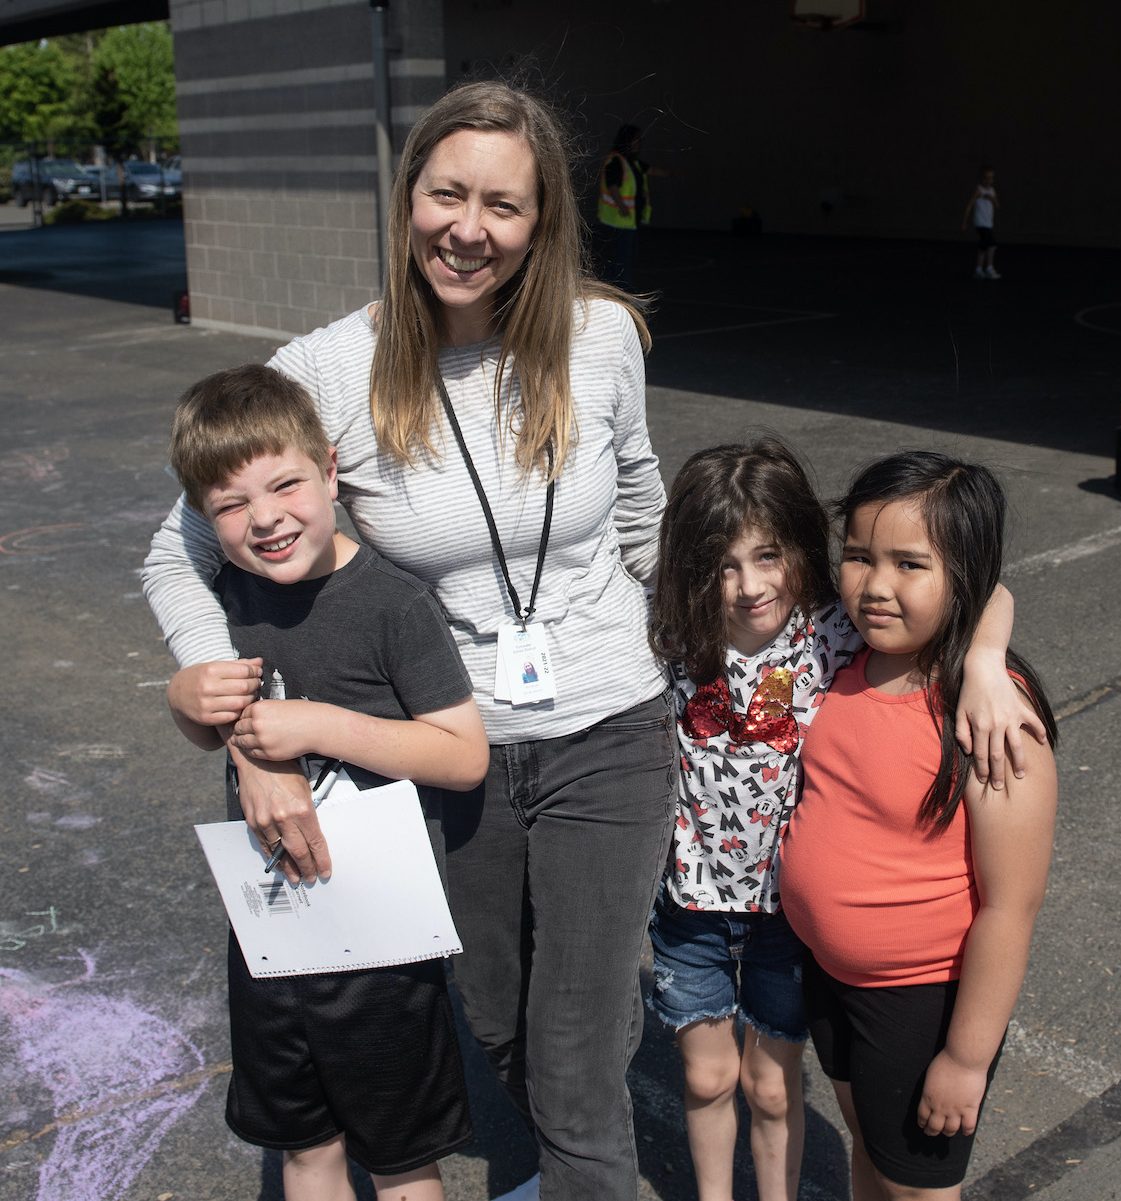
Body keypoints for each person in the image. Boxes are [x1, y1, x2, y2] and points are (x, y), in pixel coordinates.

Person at [143, 80, 676, 1201]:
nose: (469, 229)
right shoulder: (328, 369)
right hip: (443, 751)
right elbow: (180, 552)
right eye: (446, 194)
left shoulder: (603, 338)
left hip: (608, 725)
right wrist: (247, 728)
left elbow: (642, 507)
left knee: (578, 1052)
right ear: (407, 198)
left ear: (542, 222)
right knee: (490, 1025)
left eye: (503, 205)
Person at [646, 439, 1046, 1201]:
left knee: (836, 1124)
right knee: (857, 1139)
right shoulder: (678, 629)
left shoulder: (835, 633)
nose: (750, 585)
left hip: (856, 961)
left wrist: (989, 656)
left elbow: (976, 581)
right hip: (727, 917)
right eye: (860, 557)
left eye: (769, 557)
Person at [165, 363, 489, 1201]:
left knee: (401, 1157)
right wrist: (182, 697)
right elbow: (205, 726)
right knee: (305, 1146)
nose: (265, 518)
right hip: (271, 933)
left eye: (285, 485)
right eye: (231, 505)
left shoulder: (391, 604)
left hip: (383, 938)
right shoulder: (223, 598)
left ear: (332, 471)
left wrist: (319, 726)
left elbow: (462, 752)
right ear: (205, 519)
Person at [780, 451, 1058, 1201]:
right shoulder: (848, 651)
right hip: (832, 976)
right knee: (866, 1146)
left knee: (918, 1187)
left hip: (921, 1000)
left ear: (960, 577)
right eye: (860, 556)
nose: (875, 586)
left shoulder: (992, 718)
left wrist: (966, 1059)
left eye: (909, 564)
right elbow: (991, 588)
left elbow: (1011, 906)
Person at [595, 124, 655, 290]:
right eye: (636, 139)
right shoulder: (616, 161)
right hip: (617, 221)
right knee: (619, 258)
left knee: (621, 258)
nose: (639, 143)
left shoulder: (632, 163)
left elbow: (650, 170)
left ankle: (618, 289)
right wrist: (622, 206)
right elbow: (612, 186)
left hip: (628, 221)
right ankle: (619, 291)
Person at [962, 166, 1000, 279]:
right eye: (986, 178)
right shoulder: (979, 190)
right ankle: (989, 268)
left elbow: (997, 205)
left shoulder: (992, 190)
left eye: (991, 178)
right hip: (980, 223)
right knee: (992, 244)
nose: (989, 180)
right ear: (982, 179)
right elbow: (969, 205)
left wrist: (991, 199)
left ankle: (978, 269)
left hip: (988, 223)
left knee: (983, 246)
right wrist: (965, 222)